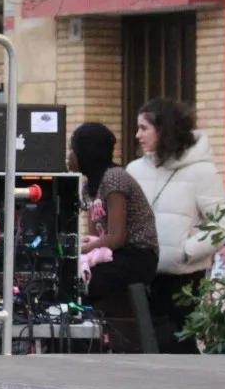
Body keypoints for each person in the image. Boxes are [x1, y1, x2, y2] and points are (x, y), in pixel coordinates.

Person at [125, 97, 225, 352]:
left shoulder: (202, 172)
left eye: (144, 128)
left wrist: (188, 250)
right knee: (142, 345)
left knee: (178, 347)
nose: (137, 135)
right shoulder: (135, 170)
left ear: (164, 130)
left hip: (182, 279)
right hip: (141, 274)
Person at [68, 122, 159, 302]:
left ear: (87, 152)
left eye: (72, 148)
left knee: (84, 283)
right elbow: (97, 237)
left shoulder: (114, 177)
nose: (69, 155)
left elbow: (116, 238)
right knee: (72, 275)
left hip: (137, 256)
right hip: (115, 254)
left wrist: (78, 250)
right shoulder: (89, 187)